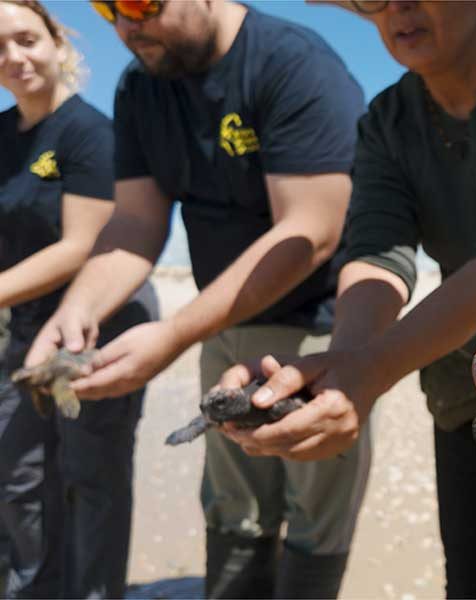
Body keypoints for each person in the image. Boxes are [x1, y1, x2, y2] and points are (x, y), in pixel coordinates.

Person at [219, 1, 476, 596]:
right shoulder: (386, 122)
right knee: (471, 580)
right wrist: (343, 366)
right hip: (460, 381)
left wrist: (370, 371)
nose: (399, 7)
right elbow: (378, 253)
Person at [26, 0, 366, 597]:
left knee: (314, 518)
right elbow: (136, 222)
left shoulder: (292, 64)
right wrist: (77, 309)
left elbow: (310, 230)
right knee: (234, 509)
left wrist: (174, 332)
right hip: (221, 328)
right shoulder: (141, 86)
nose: (125, 24)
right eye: (105, 8)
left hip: (318, 330)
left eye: (140, 3)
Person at [0, 1, 158, 597]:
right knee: (17, 476)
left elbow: (81, 246)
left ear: (58, 43)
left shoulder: (88, 132)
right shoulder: (2, 135)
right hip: (26, 328)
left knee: (92, 480)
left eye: (26, 39)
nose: (14, 57)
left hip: (99, 323)